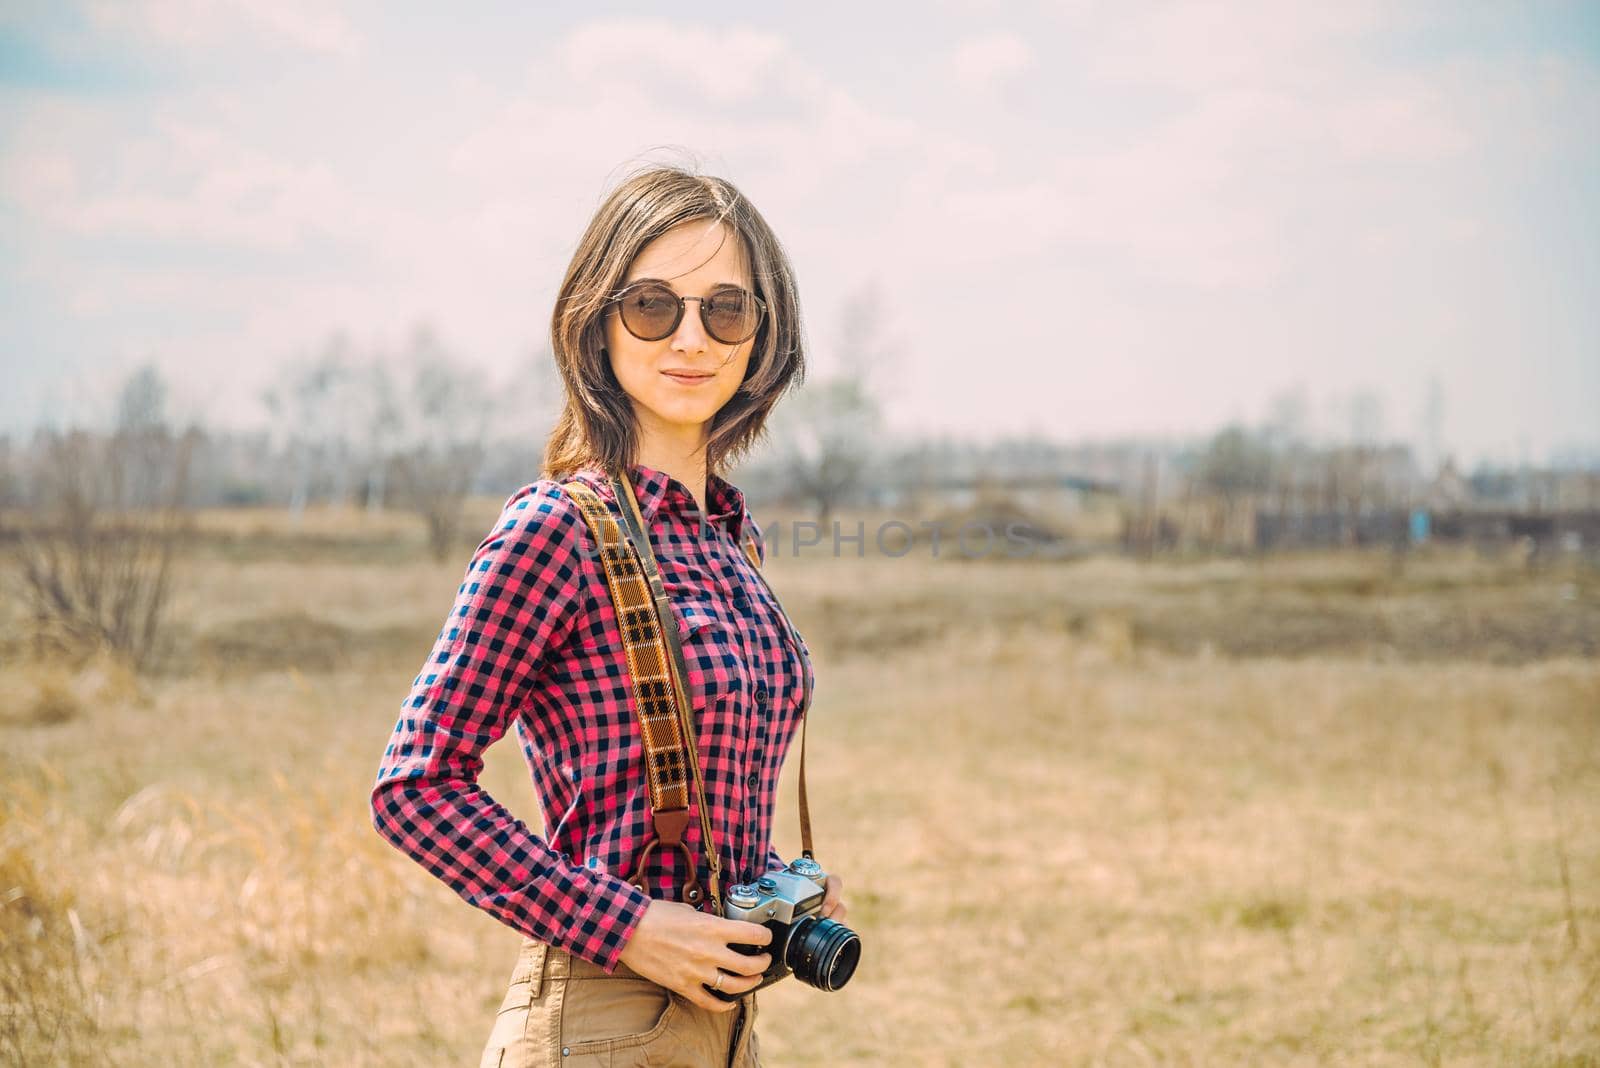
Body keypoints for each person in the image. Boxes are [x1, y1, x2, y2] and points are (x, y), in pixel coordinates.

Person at [369, 163, 848, 1067]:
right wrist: (626, 927)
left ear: (762, 336)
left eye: (726, 309)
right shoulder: (555, 529)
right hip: (597, 1022)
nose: (692, 337)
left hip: (726, 1031)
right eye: (653, 305)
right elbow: (413, 786)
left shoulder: (727, 542)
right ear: (598, 321)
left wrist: (784, 887)